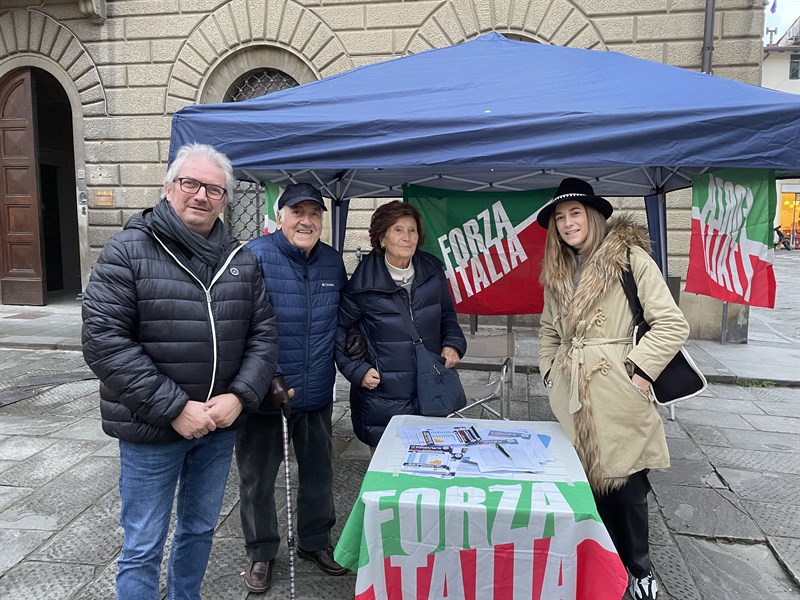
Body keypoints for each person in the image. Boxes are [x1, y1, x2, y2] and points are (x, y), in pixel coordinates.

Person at [81, 143, 279, 600]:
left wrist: (240, 397)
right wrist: (174, 408)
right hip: (151, 428)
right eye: (191, 183)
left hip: (218, 425)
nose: (201, 195)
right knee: (144, 543)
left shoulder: (240, 259)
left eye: (214, 188)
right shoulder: (129, 250)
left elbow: (264, 336)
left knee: (199, 529)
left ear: (225, 200)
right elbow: (104, 342)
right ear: (169, 188)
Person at [536, 178, 689, 600]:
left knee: (627, 489)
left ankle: (639, 570)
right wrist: (550, 371)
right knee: (585, 488)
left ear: (594, 216)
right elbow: (549, 330)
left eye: (575, 214)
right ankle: (600, 568)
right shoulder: (559, 270)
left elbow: (672, 323)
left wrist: (639, 373)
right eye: (560, 218)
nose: (568, 224)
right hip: (572, 393)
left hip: (617, 390)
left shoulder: (629, 258)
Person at [236, 182, 348, 593]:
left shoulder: (332, 262)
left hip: (315, 390)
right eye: (297, 212)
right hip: (265, 396)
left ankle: (315, 542)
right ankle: (261, 550)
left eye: (315, 214)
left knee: (319, 474)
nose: (307, 220)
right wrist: (266, 378)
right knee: (258, 480)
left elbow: (340, 319)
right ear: (279, 217)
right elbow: (240, 326)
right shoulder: (254, 257)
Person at [335, 201, 467, 448]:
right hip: (382, 397)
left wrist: (453, 344)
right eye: (398, 230)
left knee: (432, 469)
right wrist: (357, 371)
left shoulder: (432, 271)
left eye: (412, 230)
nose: (407, 238)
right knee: (388, 478)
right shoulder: (363, 283)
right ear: (381, 238)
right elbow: (340, 330)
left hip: (429, 390)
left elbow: (447, 314)